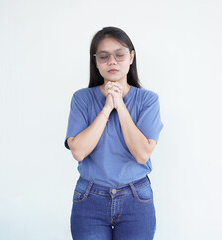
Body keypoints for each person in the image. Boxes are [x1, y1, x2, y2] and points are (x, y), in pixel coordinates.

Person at [64, 26, 163, 240]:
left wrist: (120, 104)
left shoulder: (148, 100)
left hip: (136, 198)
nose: (112, 61)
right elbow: (79, 152)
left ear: (131, 57)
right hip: (90, 197)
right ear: (96, 61)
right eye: (104, 56)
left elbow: (142, 154)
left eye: (120, 54)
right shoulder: (82, 99)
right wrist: (107, 108)